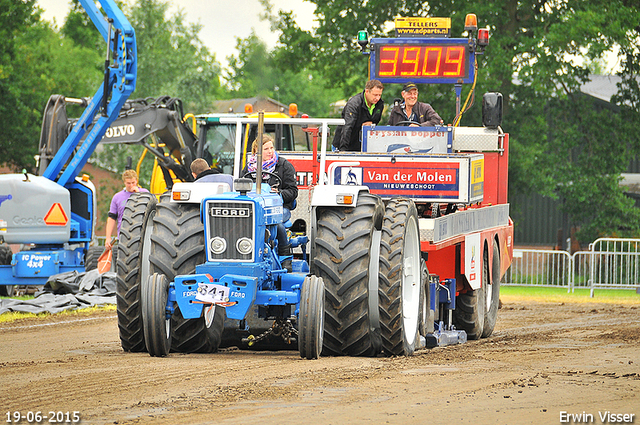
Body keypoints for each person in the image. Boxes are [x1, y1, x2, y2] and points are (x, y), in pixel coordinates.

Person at [241, 134, 298, 271]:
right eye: (266, 149)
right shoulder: (248, 169)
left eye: (271, 147)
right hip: (255, 208)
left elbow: (293, 191)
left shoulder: (283, 165)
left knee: (276, 223)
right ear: (256, 152)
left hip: (279, 207)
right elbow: (241, 187)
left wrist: (278, 194)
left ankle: (285, 254)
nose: (270, 151)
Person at [332, 79, 385, 151]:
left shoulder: (380, 104)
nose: (377, 98)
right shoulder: (354, 104)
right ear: (367, 91)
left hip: (361, 146)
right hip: (343, 143)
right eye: (375, 95)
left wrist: (372, 123)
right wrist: (343, 151)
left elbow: (376, 121)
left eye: (379, 95)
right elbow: (347, 128)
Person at [104, 170, 149, 250]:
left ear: (136, 181)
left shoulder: (145, 193)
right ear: (124, 182)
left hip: (143, 235)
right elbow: (112, 218)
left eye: (133, 182)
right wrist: (108, 237)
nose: (131, 185)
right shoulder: (117, 197)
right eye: (128, 183)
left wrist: (138, 194)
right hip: (124, 236)